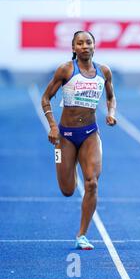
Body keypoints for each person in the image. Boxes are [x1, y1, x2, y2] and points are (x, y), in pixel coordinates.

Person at [41, 31, 117, 250]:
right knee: (67, 190)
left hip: (90, 134)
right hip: (64, 136)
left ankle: (82, 234)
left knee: (92, 183)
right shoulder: (66, 69)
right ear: (74, 48)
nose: (85, 46)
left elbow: (111, 97)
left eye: (88, 42)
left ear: (94, 46)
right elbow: (45, 98)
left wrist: (111, 113)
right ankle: (69, 162)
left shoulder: (104, 72)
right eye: (80, 43)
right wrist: (53, 126)